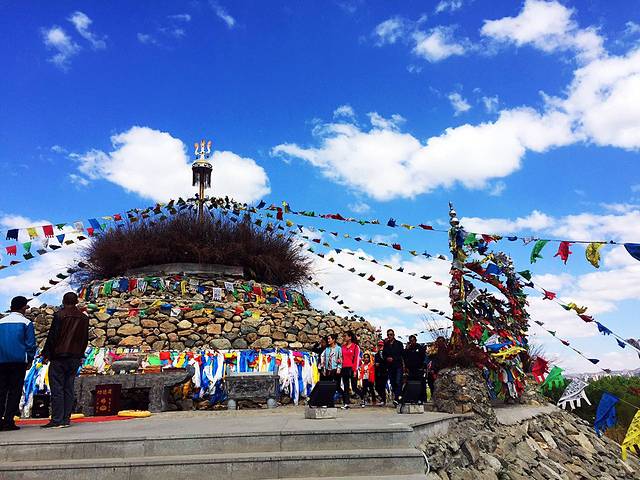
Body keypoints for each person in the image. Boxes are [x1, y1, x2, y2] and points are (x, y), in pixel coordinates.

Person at [41, 292, 89, 429]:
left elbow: (53, 336)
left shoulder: (59, 315)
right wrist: (80, 354)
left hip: (59, 356)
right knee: (68, 388)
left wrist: (46, 354)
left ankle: (57, 419)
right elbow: (84, 338)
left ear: (63, 301)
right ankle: (66, 419)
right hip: (75, 356)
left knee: (57, 388)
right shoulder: (83, 318)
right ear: (76, 302)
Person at [0, 296, 36, 431]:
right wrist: (30, 359)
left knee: (1, 391)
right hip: (19, 361)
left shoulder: (1, 322)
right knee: (15, 392)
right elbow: (30, 344)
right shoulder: (26, 323)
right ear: (23, 307)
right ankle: (8, 421)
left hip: (1, 361)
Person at [402, 335, 427, 403]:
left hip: (419, 369)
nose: (412, 342)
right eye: (410, 341)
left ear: (415, 340)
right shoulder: (408, 349)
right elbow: (404, 358)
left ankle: (422, 399)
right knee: (410, 384)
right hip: (411, 370)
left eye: (413, 340)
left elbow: (424, 358)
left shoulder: (420, 348)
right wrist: (406, 349)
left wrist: (423, 367)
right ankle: (411, 398)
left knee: (421, 383)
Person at [382, 329, 404, 405]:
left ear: (394, 335)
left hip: (398, 366)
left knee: (398, 382)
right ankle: (398, 397)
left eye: (391, 334)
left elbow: (401, 354)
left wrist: (393, 358)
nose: (389, 336)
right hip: (390, 367)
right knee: (393, 382)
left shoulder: (399, 344)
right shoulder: (386, 344)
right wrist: (387, 358)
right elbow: (384, 355)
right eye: (388, 335)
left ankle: (397, 398)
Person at [340, 331, 361, 409]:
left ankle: (362, 397)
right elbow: (341, 357)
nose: (344, 337)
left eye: (345, 336)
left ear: (350, 337)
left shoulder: (355, 347)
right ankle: (346, 403)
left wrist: (355, 370)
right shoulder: (343, 347)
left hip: (352, 368)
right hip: (344, 368)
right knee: (346, 386)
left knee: (354, 386)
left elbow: (356, 359)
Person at [319, 334, 343, 400]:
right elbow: (323, 359)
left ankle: (344, 398)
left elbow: (340, 358)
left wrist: (339, 368)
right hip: (328, 369)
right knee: (329, 385)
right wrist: (323, 369)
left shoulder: (338, 348)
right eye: (328, 339)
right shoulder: (327, 349)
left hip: (335, 369)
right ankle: (329, 400)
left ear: (334, 340)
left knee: (337, 386)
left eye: (329, 339)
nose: (328, 340)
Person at [373, 340, 388, 406]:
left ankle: (383, 400)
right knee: (377, 386)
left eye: (381, 345)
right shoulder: (376, 355)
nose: (380, 347)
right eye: (379, 345)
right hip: (378, 372)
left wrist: (380, 364)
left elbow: (386, 362)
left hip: (384, 372)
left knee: (382, 386)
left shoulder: (386, 354)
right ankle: (382, 398)